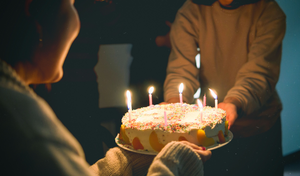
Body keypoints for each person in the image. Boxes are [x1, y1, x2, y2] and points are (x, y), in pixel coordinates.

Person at [0, 0, 211, 175]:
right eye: (72, 4)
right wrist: (173, 161)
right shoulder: (29, 130)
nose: (78, 22)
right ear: (36, 13)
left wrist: (126, 159)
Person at [163, 0, 286, 175]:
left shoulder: (268, 11)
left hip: (259, 128)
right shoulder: (191, 9)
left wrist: (235, 102)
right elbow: (181, 68)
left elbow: (259, 73)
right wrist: (175, 102)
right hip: (211, 132)